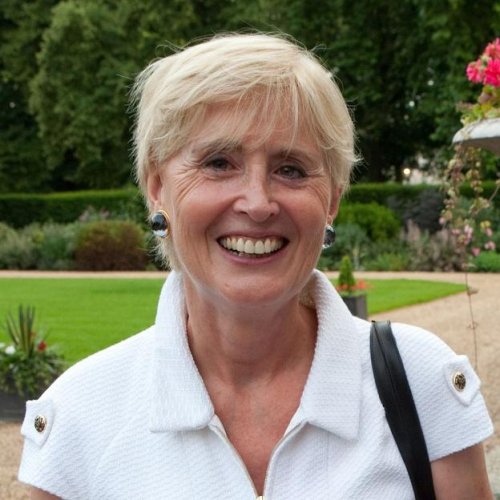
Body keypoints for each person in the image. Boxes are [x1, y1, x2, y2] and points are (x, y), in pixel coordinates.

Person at [19, 33, 493, 499]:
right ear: (157, 187)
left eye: (291, 169)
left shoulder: (420, 383)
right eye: (219, 162)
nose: (258, 203)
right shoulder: (82, 416)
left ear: (331, 200)